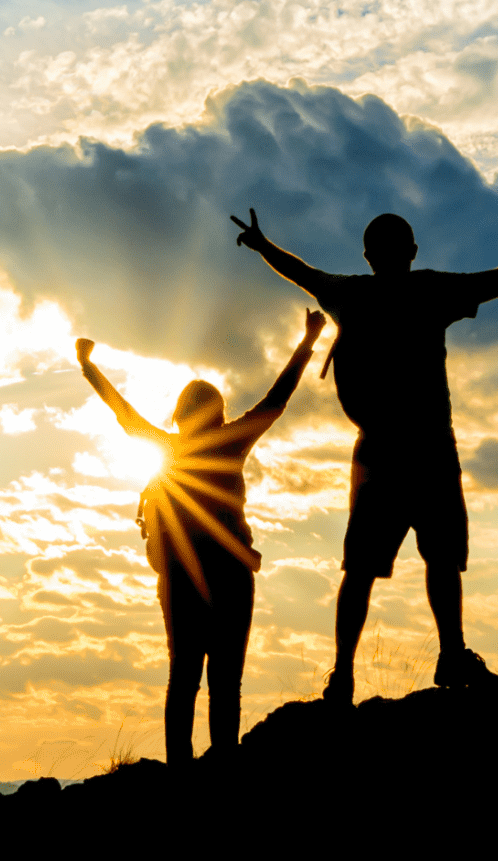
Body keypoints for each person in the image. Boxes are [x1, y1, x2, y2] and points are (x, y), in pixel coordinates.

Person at [230, 207, 498, 704]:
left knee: (361, 571)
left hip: (377, 453)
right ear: (413, 253)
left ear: (368, 255)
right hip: (432, 452)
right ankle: (450, 654)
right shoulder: (432, 291)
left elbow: (302, 272)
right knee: (441, 561)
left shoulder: (350, 294)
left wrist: (264, 245)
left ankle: (345, 676)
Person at [76, 308, 327, 764]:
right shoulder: (232, 441)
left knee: (183, 677)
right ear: (218, 412)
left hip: (178, 580)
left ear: (180, 415)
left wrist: (89, 366)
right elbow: (277, 399)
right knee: (225, 682)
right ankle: (224, 769)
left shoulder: (166, 450)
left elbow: (121, 411)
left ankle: (180, 775)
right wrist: (307, 341)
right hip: (231, 575)